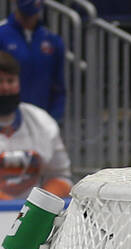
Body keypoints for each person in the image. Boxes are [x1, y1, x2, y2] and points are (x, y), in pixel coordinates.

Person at [0, 51, 69, 201]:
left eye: (10, 81)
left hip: (32, 216)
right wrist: (7, 208)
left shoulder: (41, 121)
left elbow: (61, 176)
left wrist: (37, 205)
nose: (5, 88)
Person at [0, 0, 65, 121]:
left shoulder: (53, 41)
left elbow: (58, 87)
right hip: (6, 121)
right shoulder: (2, 34)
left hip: (41, 122)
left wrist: (55, 119)